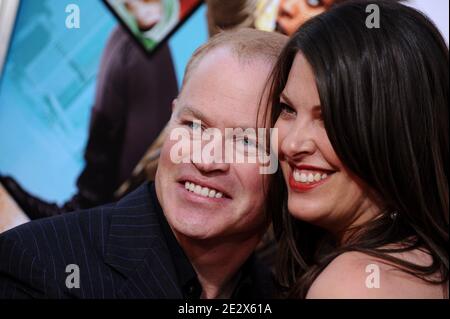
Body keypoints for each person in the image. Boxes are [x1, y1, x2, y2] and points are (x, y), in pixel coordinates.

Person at [0, 28, 287, 299]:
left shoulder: (283, 294)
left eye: (247, 142)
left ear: (289, 164)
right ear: (170, 120)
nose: (205, 159)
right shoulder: (38, 267)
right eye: (194, 126)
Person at [266, 0, 449, 298]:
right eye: (287, 109)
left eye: (328, 118)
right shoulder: (419, 258)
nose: (291, 144)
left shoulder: (354, 285)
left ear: (395, 133)